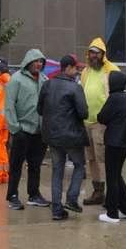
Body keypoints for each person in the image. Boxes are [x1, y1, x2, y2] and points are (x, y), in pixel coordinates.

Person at [38, 55, 90, 221]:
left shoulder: (47, 84)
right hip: (71, 136)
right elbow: (84, 113)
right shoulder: (75, 88)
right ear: (67, 68)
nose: (77, 71)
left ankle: (57, 209)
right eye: (76, 68)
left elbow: (40, 109)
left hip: (52, 136)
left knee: (57, 170)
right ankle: (72, 199)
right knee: (79, 165)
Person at [4, 49, 50, 210]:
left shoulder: (44, 80)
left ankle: (34, 194)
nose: (39, 64)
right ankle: (13, 196)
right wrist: (15, 128)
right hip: (22, 130)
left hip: (39, 132)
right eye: (36, 61)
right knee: (16, 165)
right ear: (29, 61)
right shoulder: (16, 80)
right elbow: (9, 106)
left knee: (35, 164)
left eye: (41, 62)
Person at [80, 38, 120, 205]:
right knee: (91, 159)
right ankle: (98, 192)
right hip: (86, 122)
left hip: (102, 124)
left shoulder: (111, 71)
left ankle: (111, 193)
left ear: (103, 54)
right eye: (91, 52)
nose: (93, 56)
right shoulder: (86, 71)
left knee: (103, 159)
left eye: (96, 53)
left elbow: (116, 97)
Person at [96, 71, 126, 223]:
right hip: (124, 142)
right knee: (117, 175)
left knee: (112, 177)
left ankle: (112, 213)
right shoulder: (124, 98)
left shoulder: (114, 98)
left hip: (113, 143)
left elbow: (101, 117)